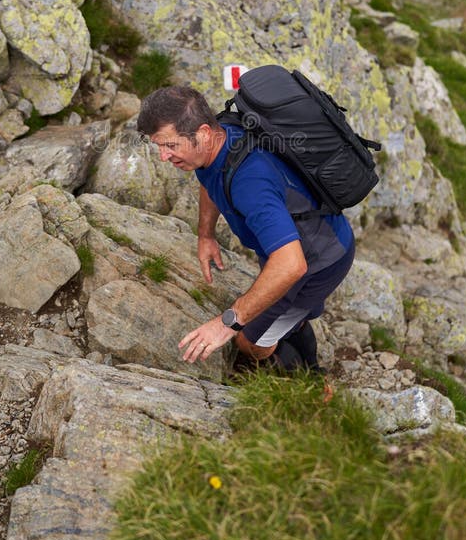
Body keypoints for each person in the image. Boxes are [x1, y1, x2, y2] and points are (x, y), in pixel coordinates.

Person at [136, 84, 355, 373]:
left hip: (318, 260)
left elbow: (291, 265)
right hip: (294, 241)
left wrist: (227, 323)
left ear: (202, 133)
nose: (163, 156)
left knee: (248, 342)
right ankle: (301, 351)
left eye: (170, 145)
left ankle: (308, 379)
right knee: (281, 317)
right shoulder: (219, 136)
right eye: (159, 146)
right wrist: (206, 234)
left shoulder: (250, 183)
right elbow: (209, 178)